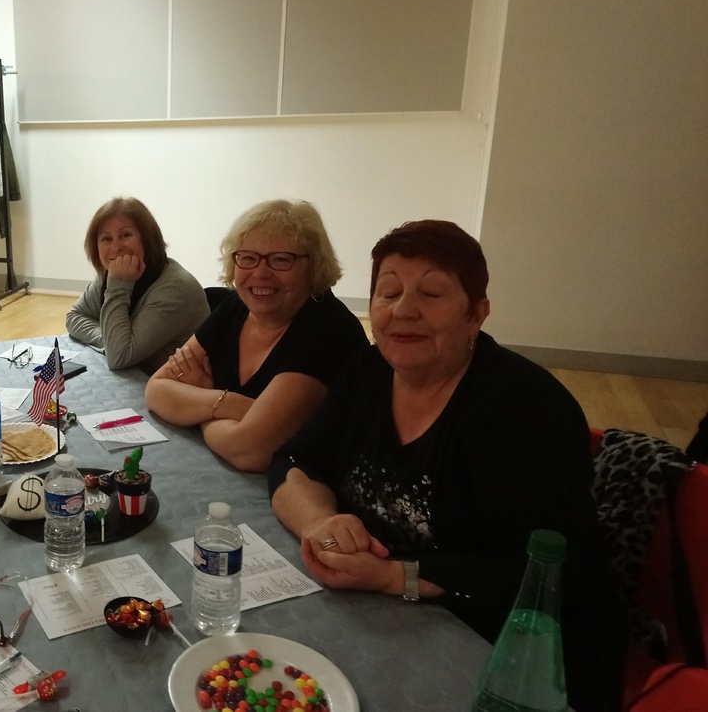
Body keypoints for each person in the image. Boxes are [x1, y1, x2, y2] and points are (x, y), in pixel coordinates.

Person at [267, 220, 624, 711]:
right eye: (388, 292)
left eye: (431, 294)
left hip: (510, 658)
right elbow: (294, 460)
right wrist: (319, 523)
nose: (403, 310)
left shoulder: (527, 411)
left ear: (477, 313)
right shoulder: (368, 373)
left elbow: (537, 573)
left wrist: (390, 576)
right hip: (384, 616)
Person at [145, 200, 367, 472]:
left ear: (314, 266)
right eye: (248, 258)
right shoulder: (234, 308)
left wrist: (202, 401)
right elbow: (157, 389)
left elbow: (249, 451)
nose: (261, 273)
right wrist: (234, 405)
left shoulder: (330, 331)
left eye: (281, 259)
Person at [66, 197, 209, 373]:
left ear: (147, 239)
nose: (115, 247)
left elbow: (119, 356)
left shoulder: (175, 288)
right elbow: (75, 317)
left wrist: (118, 286)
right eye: (106, 239)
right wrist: (109, 339)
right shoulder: (113, 273)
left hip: (175, 386)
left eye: (125, 235)